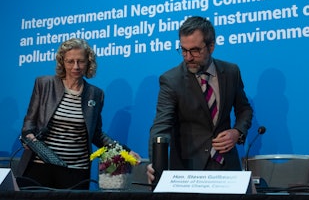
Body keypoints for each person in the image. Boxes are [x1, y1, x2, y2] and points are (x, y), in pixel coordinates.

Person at [16, 38, 141, 190]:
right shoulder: (44, 84)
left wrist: (124, 150)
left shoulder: (95, 94)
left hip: (76, 171)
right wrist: (29, 136)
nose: (75, 66)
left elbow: (96, 134)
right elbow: (29, 123)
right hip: (40, 167)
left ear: (88, 62)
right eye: (70, 61)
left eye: (80, 61)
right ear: (62, 62)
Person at [147, 16, 253, 183]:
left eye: (195, 50)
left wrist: (237, 132)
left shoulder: (231, 72)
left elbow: (244, 109)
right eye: (183, 50)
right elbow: (161, 126)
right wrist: (156, 162)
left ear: (211, 46)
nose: (188, 57)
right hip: (188, 172)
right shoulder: (171, 80)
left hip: (228, 169)